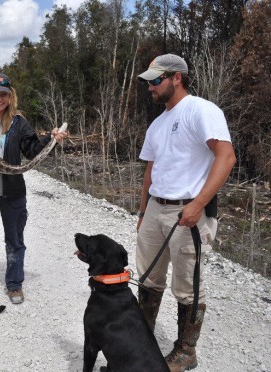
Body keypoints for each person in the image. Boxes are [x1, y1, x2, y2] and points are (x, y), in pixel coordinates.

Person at [135, 54, 236, 372]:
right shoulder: (158, 123)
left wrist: (198, 203)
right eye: (149, 82)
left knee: (187, 284)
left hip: (188, 211)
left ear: (176, 77)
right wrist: (142, 212)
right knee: (149, 278)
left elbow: (226, 156)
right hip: (156, 208)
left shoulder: (201, 110)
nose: (150, 87)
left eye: (155, 80)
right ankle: (141, 339)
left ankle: (185, 351)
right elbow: (152, 170)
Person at [0, 73, 67, 305]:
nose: (0, 99)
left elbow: (31, 151)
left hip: (13, 194)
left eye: (4, 95)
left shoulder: (19, 122)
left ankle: (14, 285)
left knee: (15, 240)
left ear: (10, 97)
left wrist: (51, 139)